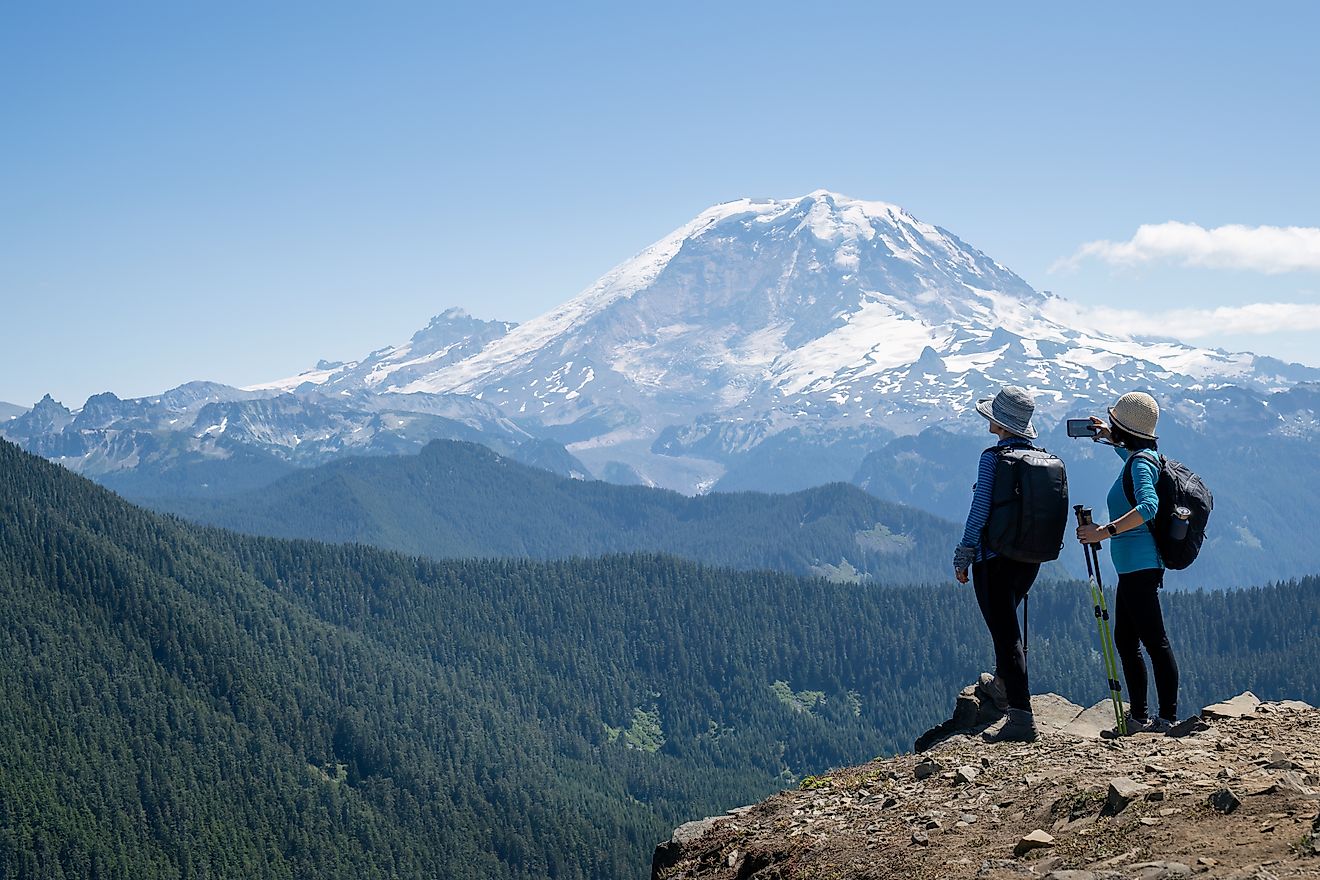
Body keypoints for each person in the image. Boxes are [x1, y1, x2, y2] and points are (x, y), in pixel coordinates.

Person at [1075, 391, 1179, 735]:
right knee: (1126, 641)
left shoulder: (1139, 463)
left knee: (1154, 642)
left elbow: (1148, 505)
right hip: (1133, 568)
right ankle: (1140, 718)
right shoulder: (1142, 456)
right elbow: (1133, 456)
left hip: (1141, 566)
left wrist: (1105, 531)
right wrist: (1109, 437)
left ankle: (1165, 719)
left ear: (1125, 429)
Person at [953, 385, 1042, 743]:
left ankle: (1021, 717)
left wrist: (964, 553)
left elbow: (980, 511)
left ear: (999, 423)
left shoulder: (992, 458)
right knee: (1007, 628)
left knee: (1006, 636)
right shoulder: (1037, 459)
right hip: (1029, 559)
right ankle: (1003, 684)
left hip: (993, 560)